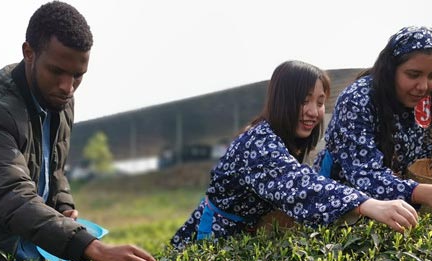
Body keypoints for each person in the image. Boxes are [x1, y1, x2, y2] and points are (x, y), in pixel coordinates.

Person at [0, 1, 157, 261]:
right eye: (56, 72)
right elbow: (10, 195)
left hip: (38, 242)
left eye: (78, 75)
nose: (68, 87)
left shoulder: (61, 98)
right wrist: (95, 249)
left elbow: (52, 168)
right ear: (29, 53)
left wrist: (63, 204)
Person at [171, 60, 419, 249]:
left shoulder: (287, 139)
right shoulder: (258, 143)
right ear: (282, 101)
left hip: (249, 233)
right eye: (304, 100)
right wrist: (366, 204)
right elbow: (299, 185)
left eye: (320, 102)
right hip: (215, 236)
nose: (314, 111)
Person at [316, 26, 432, 215]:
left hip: (396, 204)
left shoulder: (421, 101)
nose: (423, 86)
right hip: (344, 204)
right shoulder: (358, 100)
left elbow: (421, 148)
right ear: (391, 70)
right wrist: (420, 192)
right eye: (413, 75)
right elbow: (365, 174)